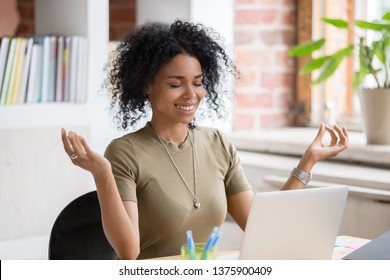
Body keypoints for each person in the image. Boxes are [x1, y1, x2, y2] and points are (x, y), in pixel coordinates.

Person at [61, 20, 349, 260]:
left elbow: (262, 226)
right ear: (146, 85)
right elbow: (127, 251)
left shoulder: (217, 144)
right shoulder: (125, 152)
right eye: (176, 84)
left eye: (198, 82)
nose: (191, 94)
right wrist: (102, 175)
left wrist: (307, 162)